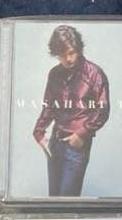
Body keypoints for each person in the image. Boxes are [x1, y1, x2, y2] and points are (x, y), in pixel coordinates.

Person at [33, 25, 110, 197]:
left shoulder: (95, 74)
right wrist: (38, 133)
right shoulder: (54, 74)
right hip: (55, 144)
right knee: (54, 199)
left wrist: (82, 134)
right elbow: (49, 106)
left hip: (77, 146)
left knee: (67, 201)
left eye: (71, 52)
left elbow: (103, 110)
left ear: (78, 49)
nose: (68, 59)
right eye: (62, 55)